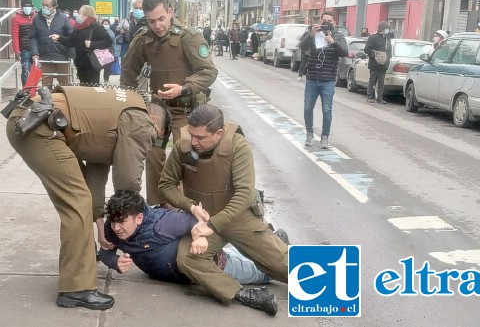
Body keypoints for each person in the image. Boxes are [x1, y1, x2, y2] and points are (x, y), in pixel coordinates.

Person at [3, 84, 165, 310]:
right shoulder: (141, 121)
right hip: (39, 126)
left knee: (80, 199)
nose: (148, 145)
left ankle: (81, 268)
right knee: (76, 203)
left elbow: (94, 180)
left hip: (32, 118)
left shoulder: (115, 118)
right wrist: (132, 226)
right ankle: (75, 289)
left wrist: (101, 227)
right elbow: (127, 184)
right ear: (157, 125)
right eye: (153, 140)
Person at [159, 104, 287, 316]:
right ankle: (240, 293)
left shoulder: (238, 146)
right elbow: (165, 185)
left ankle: (325, 265)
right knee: (187, 259)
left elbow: (244, 194)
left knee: (282, 265)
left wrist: (213, 224)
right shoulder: (184, 147)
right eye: (191, 135)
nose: (193, 142)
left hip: (238, 217)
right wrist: (189, 206)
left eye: (200, 137)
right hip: (202, 218)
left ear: (218, 134)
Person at [121, 0, 218, 207]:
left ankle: (187, 206)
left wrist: (184, 88)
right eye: (151, 21)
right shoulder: (143, 39)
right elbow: (128, 72)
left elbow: (208, 72)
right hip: (158, 111)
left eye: (161, 19)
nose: (157, 25)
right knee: (153, 155)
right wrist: (130, 103)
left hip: (186, 110)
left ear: (170, 13)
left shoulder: (188, 37)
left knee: (185, 154)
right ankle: (159, 206)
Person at [99, 190, 275, 286]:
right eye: (113, 222)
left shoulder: (164, 223)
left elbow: (202, 218)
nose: (116, 228)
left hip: (211, 265)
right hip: (173, 275)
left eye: (121, 222)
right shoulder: (113, 227)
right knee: (244, 252)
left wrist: (200, 235)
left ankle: (282, 250)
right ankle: (275, 239)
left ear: (138, 218)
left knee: (265, 272)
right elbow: (105, 251)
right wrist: (114, 261)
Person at [298, 11, 348, 148]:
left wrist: (334, 42)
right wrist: (310, 35)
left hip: (328, 80)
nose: (326, 23)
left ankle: (325, 136)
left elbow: (344, 52)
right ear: (320, 20)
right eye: (324, 20)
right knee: (308, 108)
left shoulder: (338, 35)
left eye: (329, 21)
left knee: (327, 109)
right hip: (312, 78)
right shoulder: (312, 32)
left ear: (334, 22)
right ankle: (309, 134)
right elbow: (301, 47)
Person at [51, 5, 112, 85]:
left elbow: (108, 41)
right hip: (80, 62)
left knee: (92, 87)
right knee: (83, 86)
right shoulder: (78, 28)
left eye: (80, 13)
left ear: (86, 15)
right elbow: (71, 42)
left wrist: (92, 44)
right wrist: (59, 38)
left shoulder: (95, 26)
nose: (78, 15)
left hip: (91, 63)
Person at [30, 0, 74, 85]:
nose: (44, 7)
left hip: (62, 56)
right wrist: (34, 53)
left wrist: (72, 54)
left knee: (64, 84)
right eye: (43, 5)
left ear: (54, 7)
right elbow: (33, 37)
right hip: (45, 55)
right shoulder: (36, 18)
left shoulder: (63, 18)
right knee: (46, 85)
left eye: (47, 5)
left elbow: (71, 37)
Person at [11, 0, 36, 86]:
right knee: (26, 70)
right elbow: (15, 35)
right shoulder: (16, 18)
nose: (27, 8)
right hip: (24, 49)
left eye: (29, 6)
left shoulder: (36, 17)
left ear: (32, 7)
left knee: (35, 70)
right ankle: (26, 91)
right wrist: (17, 51)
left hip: (35, 48)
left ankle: (33, 89)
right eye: (25, 6)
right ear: (22, 7)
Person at [364, 21, 390, 104]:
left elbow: (389, 51)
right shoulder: (373, 37)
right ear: (382, 29)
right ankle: (369, 96)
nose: (387, 31)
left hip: (384, 64)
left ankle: (380, 98)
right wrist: (375, 55)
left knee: (381, 81)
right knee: (372, 80)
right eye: (386, 29)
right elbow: (367, 49)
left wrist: (387, 60)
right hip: (374, 63)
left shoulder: (387, 39)